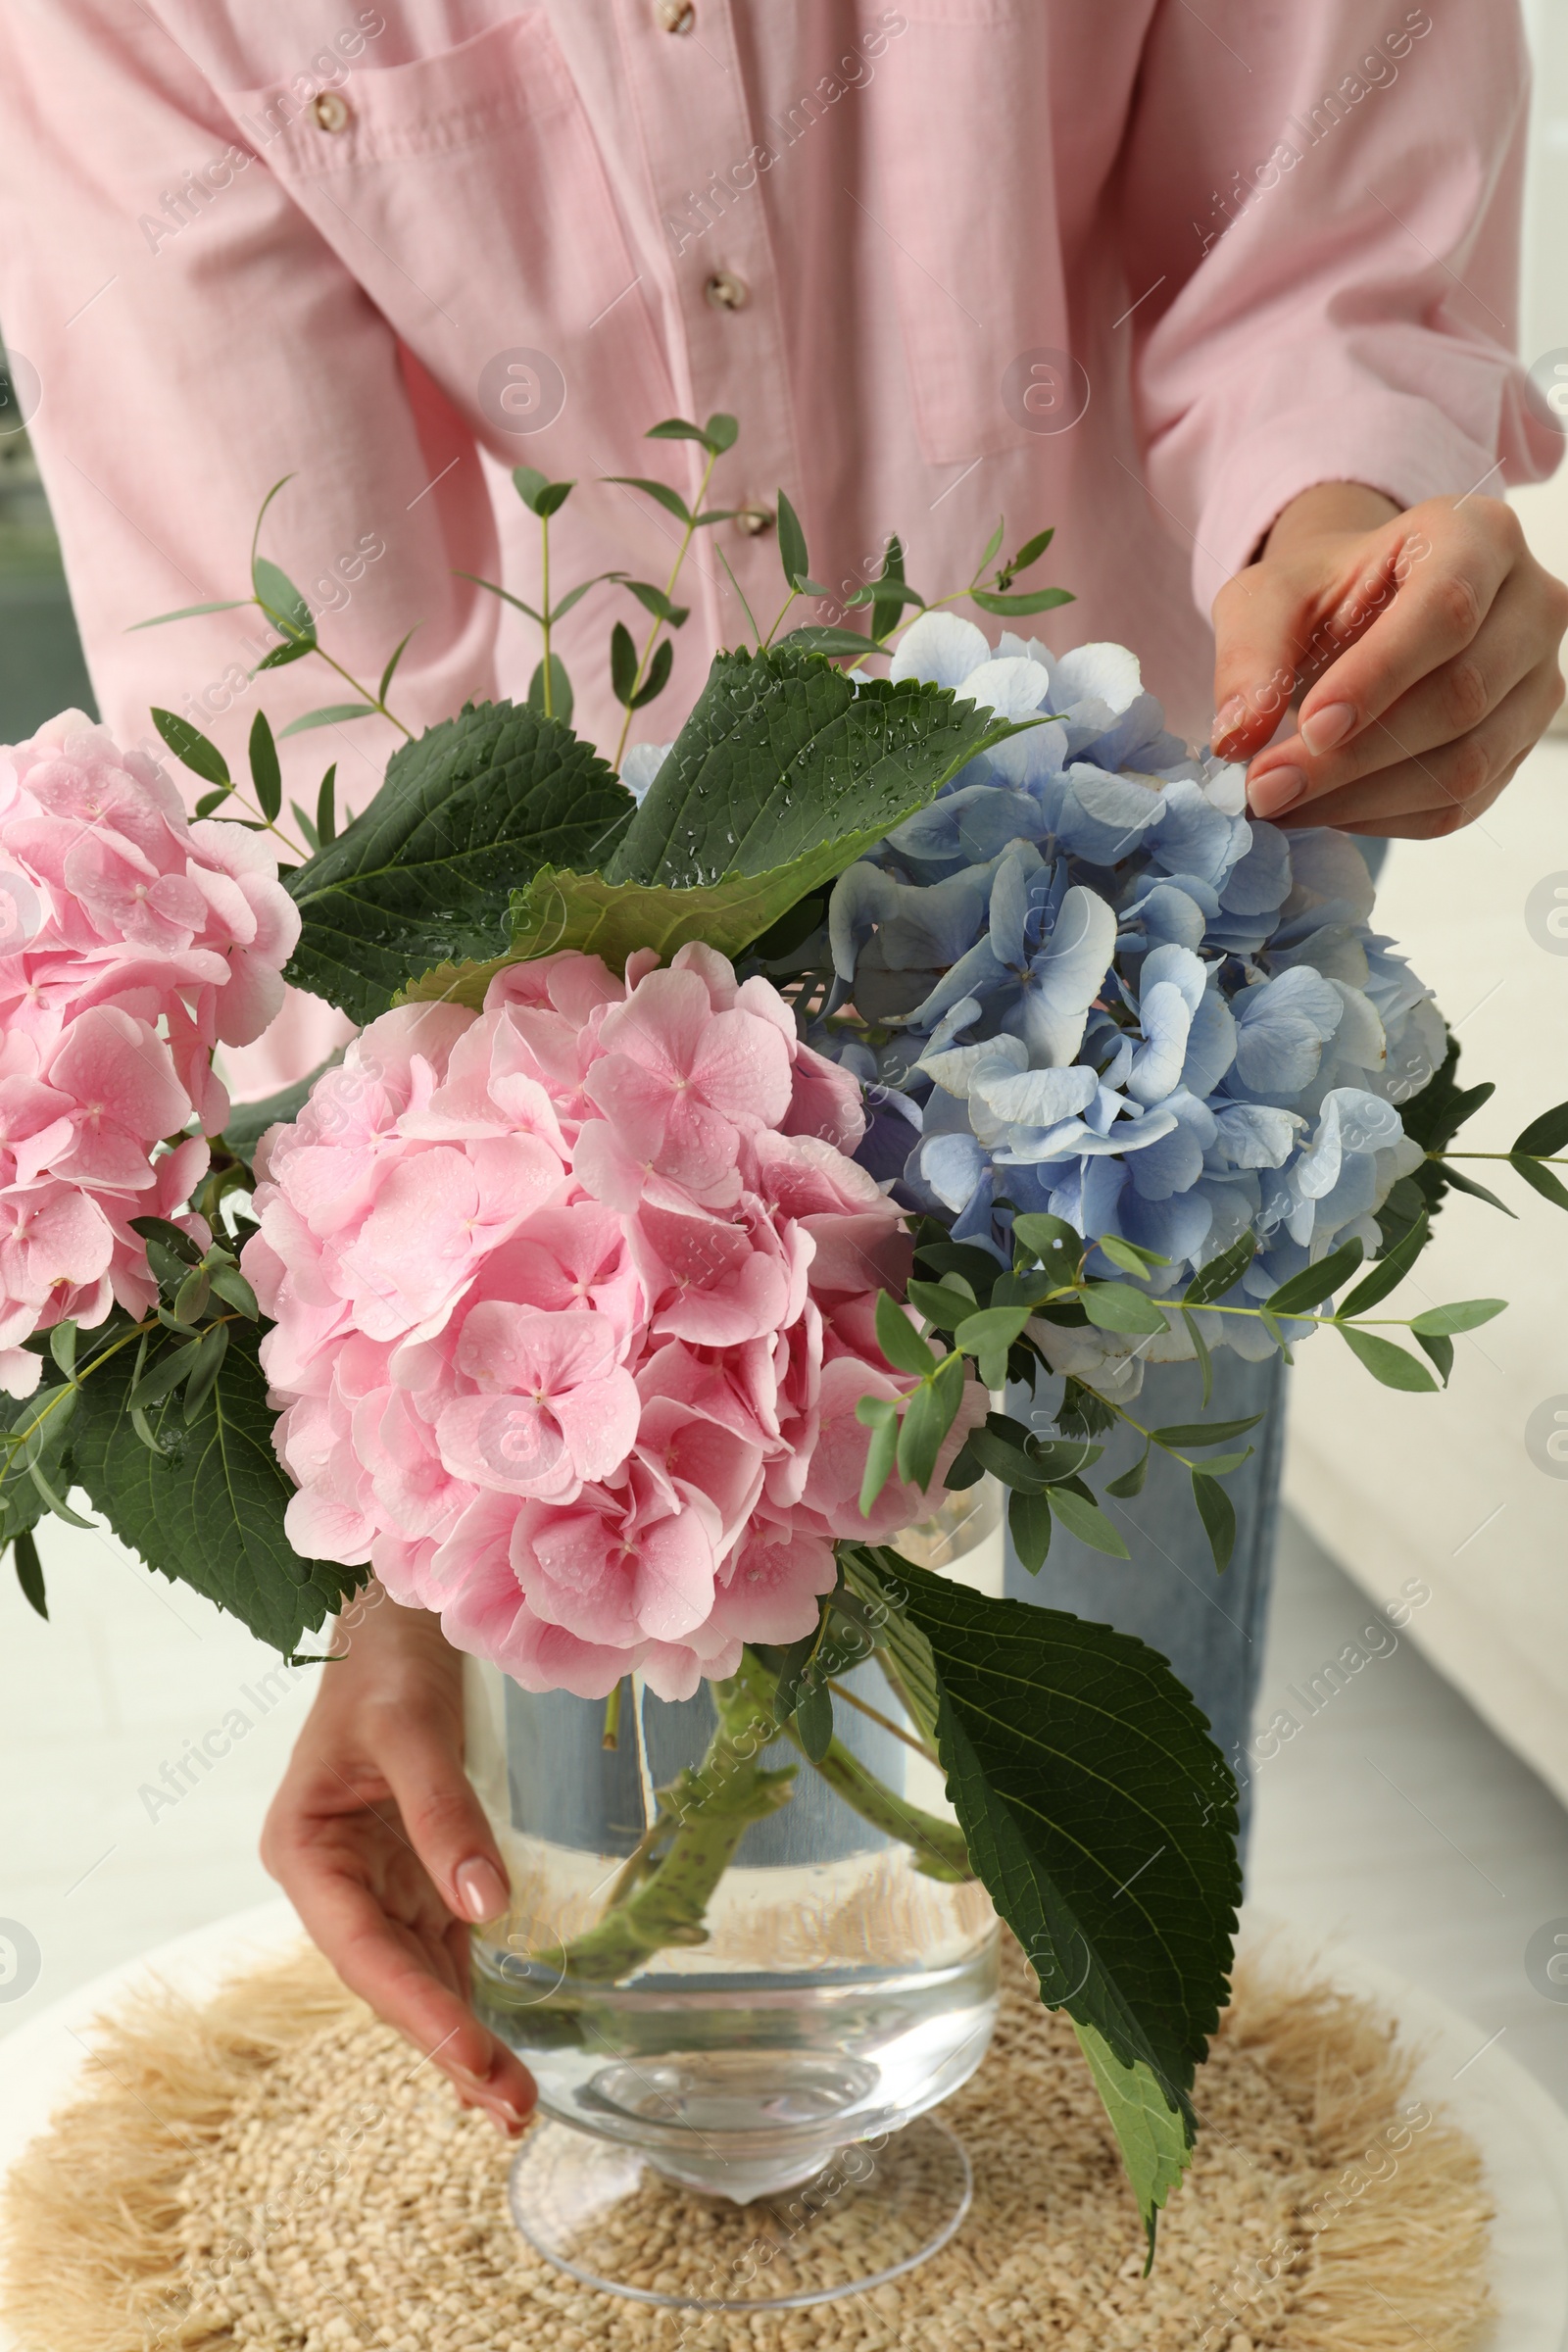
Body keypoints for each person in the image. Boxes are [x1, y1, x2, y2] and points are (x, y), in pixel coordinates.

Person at [2, 2, 1564, 2138]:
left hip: (1144, 976)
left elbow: (1310, 173)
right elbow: (313, 758)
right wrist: (409, 1545)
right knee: (623, 1937)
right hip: (570, 1150)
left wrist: (1351, 506)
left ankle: (1122, 2164)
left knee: (1107, 1879)